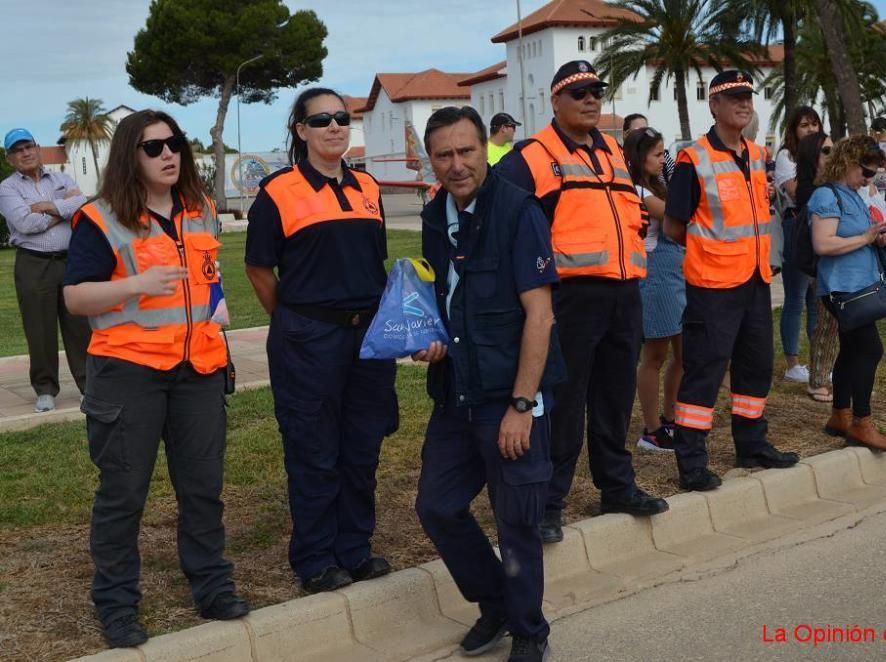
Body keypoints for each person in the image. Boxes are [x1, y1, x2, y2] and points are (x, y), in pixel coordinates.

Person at [63, 110, 248, 648]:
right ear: (130, 157)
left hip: (199, 372)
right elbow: (76, 298)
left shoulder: (202, 209)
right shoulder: (100, 219)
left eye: (175, 145)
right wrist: (137, 284)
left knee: (202, 488)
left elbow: (208, 279)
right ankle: (118, 606)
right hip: (129, 375)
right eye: (154, 148)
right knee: (123, 494)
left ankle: (212, 586)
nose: (169, 155)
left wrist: (217, 308)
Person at [413, 106, 563, 662]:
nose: (456, 165)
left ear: (485, 150)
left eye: (466, 151)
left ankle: (529, 629)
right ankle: (496, 601)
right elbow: (441, 297)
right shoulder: (434, 215)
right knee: (437, 506)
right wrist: (427, 337)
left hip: (510, 395)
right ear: (431, 160)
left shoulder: (518, 211)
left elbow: (540, 317)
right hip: (456, 392)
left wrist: (522, 405)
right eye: (444, 155)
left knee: (517, 519)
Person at [496, 60, 668, 543]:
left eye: (596, 91)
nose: (591, 99)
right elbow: (504, 222)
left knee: (615, 396)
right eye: (579, 93)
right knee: (565, 402)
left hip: (623, 291)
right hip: (570, 296)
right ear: (555, 101)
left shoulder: (613, 149)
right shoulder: (532, 155)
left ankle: (617, 486)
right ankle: (549, 502)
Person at [245, 88, 398, 593]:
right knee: (313, 451)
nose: (335, 126)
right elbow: (259, 269)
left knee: (361, 448)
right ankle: (314, 558)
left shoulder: (368, 187)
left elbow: (374, 261)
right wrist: (296, 318)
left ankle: (354, 549)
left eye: (342, 117)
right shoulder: (279, 191)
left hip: (368, 338)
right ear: (301, 131)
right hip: (308, 337)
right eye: (322, 120)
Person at [662, 70, 800, 491]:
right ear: (714, 105)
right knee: (704, 371)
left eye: (748, 97)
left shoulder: (757, 155)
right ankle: (691, 461)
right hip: (712, 285)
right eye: (734, 97)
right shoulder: (694, 158)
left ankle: (751, 444)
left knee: (755, 368)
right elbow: (673, 227)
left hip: (755, 280)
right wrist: (714, 252)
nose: (744, 103)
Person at [808, 135, 886, 452]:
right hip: (842, 287)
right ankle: (861, 421)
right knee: (870, 350)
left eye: (874, 174)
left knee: (851, 349)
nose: (869, 179)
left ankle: (840, 415)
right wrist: (864, 237)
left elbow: (858, 236)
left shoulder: (852, 194)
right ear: (848, 162)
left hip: (857, 283)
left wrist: (879, 238)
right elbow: (823, 244)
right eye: (867, 172)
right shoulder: (826, 196)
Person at [0, 128, 91, 412]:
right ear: (9, 158)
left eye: (28, 146)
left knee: (80, 327)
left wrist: (48, 207)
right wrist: (63, 209)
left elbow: (83, 205)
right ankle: (45, 390)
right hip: (33, 263)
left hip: (70, 260)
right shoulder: (8, 188)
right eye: (17, 150)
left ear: (38, 148)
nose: (25, 153)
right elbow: (25, 224)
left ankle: (90, 386)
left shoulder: (62, 179)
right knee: (39, 329)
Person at [624, 127, 685, 452]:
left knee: (683, 352)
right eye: (658, 154)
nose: (664, 160)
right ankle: (651, 428)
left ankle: (671, 416)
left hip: (674, 269)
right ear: (639, 158)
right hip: (655, 273)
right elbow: (675, 214)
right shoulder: (636, 189)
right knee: (655, 354)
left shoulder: (657, 184)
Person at [773, 107, 822, 384]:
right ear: (793, 129)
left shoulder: (823, 154)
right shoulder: (786, 156)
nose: (811, 130)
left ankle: (817, 359)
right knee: (796, 296)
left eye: (814, 124)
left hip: (821, 226)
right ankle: (792, 363)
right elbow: (795, 191)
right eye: (804, 125)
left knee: (816, 298)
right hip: (797, 226)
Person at [794, 131, 838, 403]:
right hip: (822, 264)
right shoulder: (811, 190)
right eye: (825, 151)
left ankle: (831, 374)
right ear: (813, 156)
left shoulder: (833, 185)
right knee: (826, 322)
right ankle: (818, 381)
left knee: (835, 322)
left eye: (833, 150)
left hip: (840, 261)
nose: (832, 156)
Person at [623, 113, 675, 182]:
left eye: (646, 130)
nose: (644, 135)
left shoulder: (665, 156)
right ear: (626, 134)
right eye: (639, 131)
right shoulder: (620, 159)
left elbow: (676, 183)